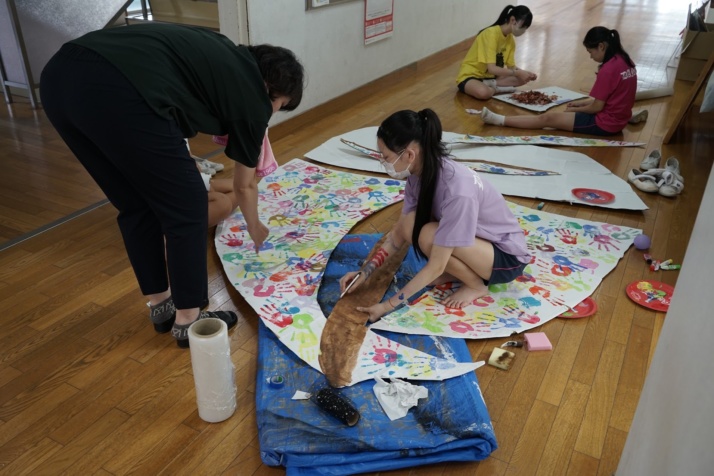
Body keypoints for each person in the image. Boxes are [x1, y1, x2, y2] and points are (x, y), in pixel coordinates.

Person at [40, 23, 304, 348]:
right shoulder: (252, 93)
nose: (270, 115)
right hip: (119, 86)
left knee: (136, 202)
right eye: (278, 106)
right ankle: (189, 321)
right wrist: (254, 225)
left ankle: (161, 304)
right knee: (189, 207)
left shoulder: (220, 53)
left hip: (58, 79)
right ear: (271, 87)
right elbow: (245, 185)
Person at [339, 109, 531, 322]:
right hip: (480, 244)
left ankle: (476, 285)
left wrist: (387, 306)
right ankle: (461, 272)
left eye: (386, 157)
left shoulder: (457, 191)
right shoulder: (418, 174)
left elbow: (435, 265)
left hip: (506, 257)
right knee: (411, 224)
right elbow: (398, 234)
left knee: (428, 235)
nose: (384, 163)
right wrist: (364, 274)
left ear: (410, 155)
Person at [479, 26, 646, 135]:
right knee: (560, 115)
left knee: (547, 119)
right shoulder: (625, 60)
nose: (590, 56)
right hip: (619, 118)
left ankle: (498, 120)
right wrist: (581, 105)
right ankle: (501, 119)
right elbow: (608, 98)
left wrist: (575, 111)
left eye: (591, 52)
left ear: (601, 46)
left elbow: (597, 106)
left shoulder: (608, 70)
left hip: (606, 124)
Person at [456, 5, 537, 100]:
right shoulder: (490, 34)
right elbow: (492, 69)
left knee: (522, 79)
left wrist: (526, 73)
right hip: (471, 75)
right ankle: (496, 90)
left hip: (490, 78)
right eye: (522, 27)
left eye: (525, 28)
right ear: (512, 20)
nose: (523, 31)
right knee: (483, 93)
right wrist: (518, 73)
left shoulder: (510, 40)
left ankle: (490, 85)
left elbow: (512, 67)